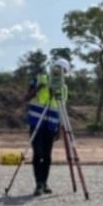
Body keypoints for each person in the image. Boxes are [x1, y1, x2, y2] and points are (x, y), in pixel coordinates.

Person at [25, 61, 67, 196]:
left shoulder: (63, 87)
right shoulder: (39, 79)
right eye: (58, 70)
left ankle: (44, 182)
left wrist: (59, 128)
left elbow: (61, 109)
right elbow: (26, 97)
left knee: (47, 156)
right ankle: (38, 184)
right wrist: (39, 88)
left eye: (63, 72)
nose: (60, 74)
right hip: (36, 123)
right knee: (38, 154)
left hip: (50, 125)